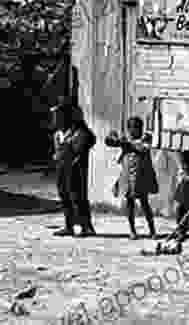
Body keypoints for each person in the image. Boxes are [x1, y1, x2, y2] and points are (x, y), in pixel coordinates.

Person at [105, 117, 158, 240]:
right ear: (128, 129)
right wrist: (113, 138)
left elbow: (141, 148)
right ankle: (132, 230)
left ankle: (152, 230)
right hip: (127, 177)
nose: (134, 131)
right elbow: (110, 142)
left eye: (137, 128)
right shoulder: (126, 140)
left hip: (141, 177)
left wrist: (126, 143)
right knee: (129, 203)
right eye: (132, 128)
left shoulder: (145, 139)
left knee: (144, 203)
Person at [51, 100, 97, 237]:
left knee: (78, 196)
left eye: (57, 116)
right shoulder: (59, 133)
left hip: (76, 169)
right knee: (64, 195)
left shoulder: (80, 132)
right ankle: (69, 225)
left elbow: (85, 145)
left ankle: (86, 227)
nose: (55, 120)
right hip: (62, 168)